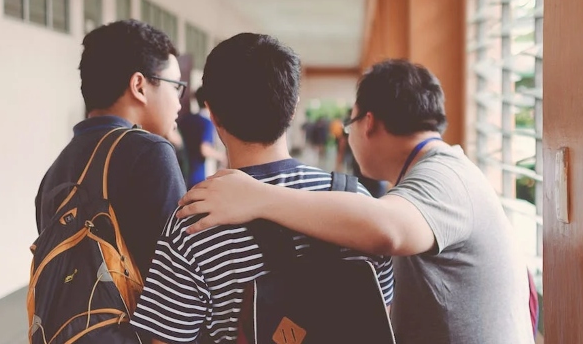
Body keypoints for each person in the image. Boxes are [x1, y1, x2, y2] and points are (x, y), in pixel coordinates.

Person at [177, 60, 535, 344]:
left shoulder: (446, 177)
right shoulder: (444, 171)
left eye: (348, 124)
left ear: (368, 123)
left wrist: (257, 196)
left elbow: (387, 229)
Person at [129, 33, 394, 344]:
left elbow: (164, 340)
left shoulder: (195, 219)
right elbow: (380, 318)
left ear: (212, 112)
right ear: (293, 108)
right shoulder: (359, 207)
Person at [35, 19, 186, 281]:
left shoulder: (56, 170)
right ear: (139, 85)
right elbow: (180, 278)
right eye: (175, 86)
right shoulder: (151, 152)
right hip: (138, 322)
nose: (179, 102)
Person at [178, 86, 226, 188]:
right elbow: (204, 149)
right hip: (198, 175)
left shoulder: (185, 119)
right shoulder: (207, 122)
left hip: (181, 171)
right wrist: (221, 156)